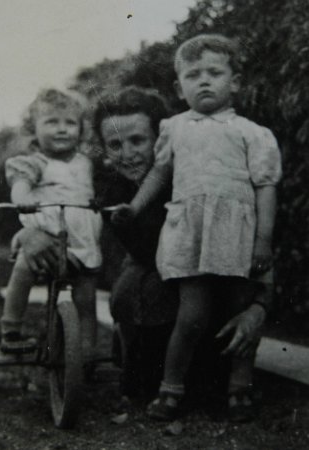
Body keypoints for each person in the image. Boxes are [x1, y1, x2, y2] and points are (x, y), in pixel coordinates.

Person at [112, 34, 282, 421]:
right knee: (192, 316)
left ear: (234, 82)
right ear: (178, 87)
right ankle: (171, 389)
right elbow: (159, 172)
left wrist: (263, 241)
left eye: (214, 73)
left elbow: (265, 187)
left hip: (236, 234)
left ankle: (239, 389)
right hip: (192, 234)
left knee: (239, 313)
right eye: (193, 75)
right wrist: (135, 207)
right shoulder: (175, 128)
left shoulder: (253, 134)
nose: (204, 81)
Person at [0, 88, 102, 364]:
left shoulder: (86, 164)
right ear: (34, 128)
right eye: (52, 122)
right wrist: (21, 201)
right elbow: (20, 185)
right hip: (46, 234)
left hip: (82, 239)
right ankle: (11, 332)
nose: (62, 129)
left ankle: (87, 352)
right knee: (24, 267)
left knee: (86, 298)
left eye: (70, 123)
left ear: (81, 130)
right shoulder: (34, 162)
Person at [93, 87, 178, 400]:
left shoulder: (184, 177)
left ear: (160, 139)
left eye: (138, 141)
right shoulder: (112, 189)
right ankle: (133, 353)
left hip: (185, 272)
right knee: (124, 294)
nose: (127, 154)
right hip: (148, 263)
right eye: (115, 144)